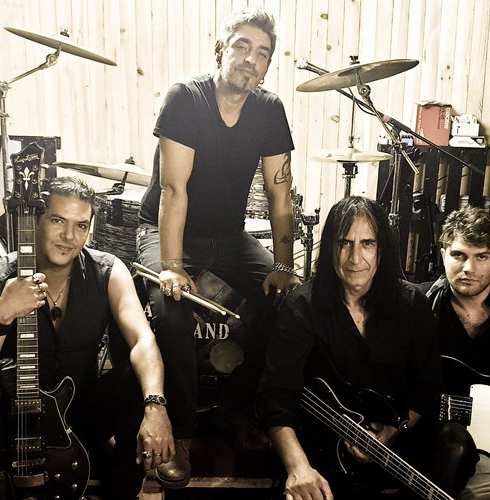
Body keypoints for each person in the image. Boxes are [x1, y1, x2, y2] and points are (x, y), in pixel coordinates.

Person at [136, 7, 300, 488]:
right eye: (242, 46)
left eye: (262, 53)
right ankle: (181, 432)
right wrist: (171, 265)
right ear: (220, 49)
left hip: (229, 237)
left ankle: (235, 408)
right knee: (172, 308)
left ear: (267, 66)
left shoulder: (269, 109)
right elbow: (174, 190)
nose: (251, 59)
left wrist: (284, 264)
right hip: (168, 230)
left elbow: (280, 196)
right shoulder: (185, 99)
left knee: (290, 301)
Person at [257, 196, 478, 499]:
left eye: (367, 243)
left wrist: (393, 431)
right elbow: (276, 396)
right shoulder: (301, 307)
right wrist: (298, 469)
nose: (355, 258)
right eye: (344, 243)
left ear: (381, 249)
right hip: (323, 446)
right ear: (330, 248)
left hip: (395, 441)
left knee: (456, 444)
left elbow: (427, 387)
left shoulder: (412, 304)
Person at [0, 177, 174, 500]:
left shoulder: (107, 270)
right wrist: (1, 313)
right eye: (57, 221)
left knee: (141, 381)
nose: (69, 236)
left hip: (77, 414)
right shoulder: (0, 276)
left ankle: (122, 493)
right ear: (36, 220)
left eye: (80, 225)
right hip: (12, 425)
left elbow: (142, 340)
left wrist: (156, 406)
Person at [420, 205, 490, 499]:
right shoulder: (417, 307)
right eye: (459, 255)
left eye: (481, 257)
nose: (469, 268)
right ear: (443, 255)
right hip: (436, 446)